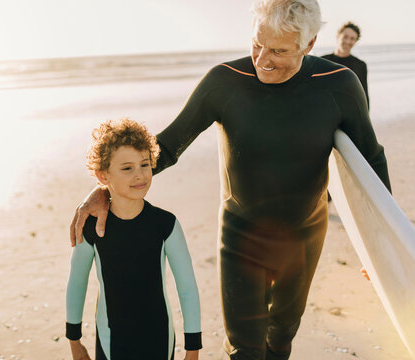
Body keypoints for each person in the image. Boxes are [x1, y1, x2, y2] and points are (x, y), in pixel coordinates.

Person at [70, 0, 391, 359]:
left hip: (303, 238)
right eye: (257, 44)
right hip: (242, 236)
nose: (263, 59)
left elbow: (370, 157)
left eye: (279, 50)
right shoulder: (225, 82)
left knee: (281, 337)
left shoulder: (339, 84)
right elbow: (167, 146)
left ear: (310, 44)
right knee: (244, 350)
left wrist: (381, 245)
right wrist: (104, 189)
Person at [66, 118, 202, 360]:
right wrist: (74, 340)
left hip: (159, 340)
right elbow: (77, 283)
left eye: (145, 164)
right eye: (127, 168)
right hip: (111, 342)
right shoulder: (91, 229)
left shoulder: (166, 225)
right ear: (103, 176)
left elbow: (187, 288)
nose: (140, 175)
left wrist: (193, 347)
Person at [322, 22, 369, 108]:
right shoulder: (323, 61)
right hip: (326, 111)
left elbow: (364, 96)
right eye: (345, 37)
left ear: (355, 41)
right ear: (338, 36)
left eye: (352, 38)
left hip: (349, 113)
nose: (348, 41)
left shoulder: (360, 65)